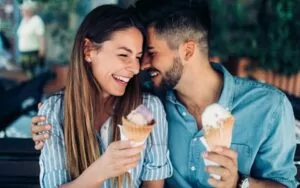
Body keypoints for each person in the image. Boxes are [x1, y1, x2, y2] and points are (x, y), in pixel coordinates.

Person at [31, 0, 297, 187]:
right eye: (135, 55)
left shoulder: (269, 107)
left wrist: (241, 184)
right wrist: (51, 118)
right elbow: (97, 91)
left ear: (188, 51)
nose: (140, 66)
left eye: (150, 53)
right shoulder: (147, 105)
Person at [35, 4, 172, 188]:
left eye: (138, 57)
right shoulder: (55, 111)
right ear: (88, 50)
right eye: (124, 55)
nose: (135, 68)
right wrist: (100, 170)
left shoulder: (149, 110)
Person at [17, 0, 46, 77]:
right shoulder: (23, 21)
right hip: (24, 53)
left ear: (29, 10)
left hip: (33, 54)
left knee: (33, 76)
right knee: (25, 76)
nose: (22, 11)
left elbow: (41, 37)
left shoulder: (36, 20)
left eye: (24, 9)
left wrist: (42, 51)